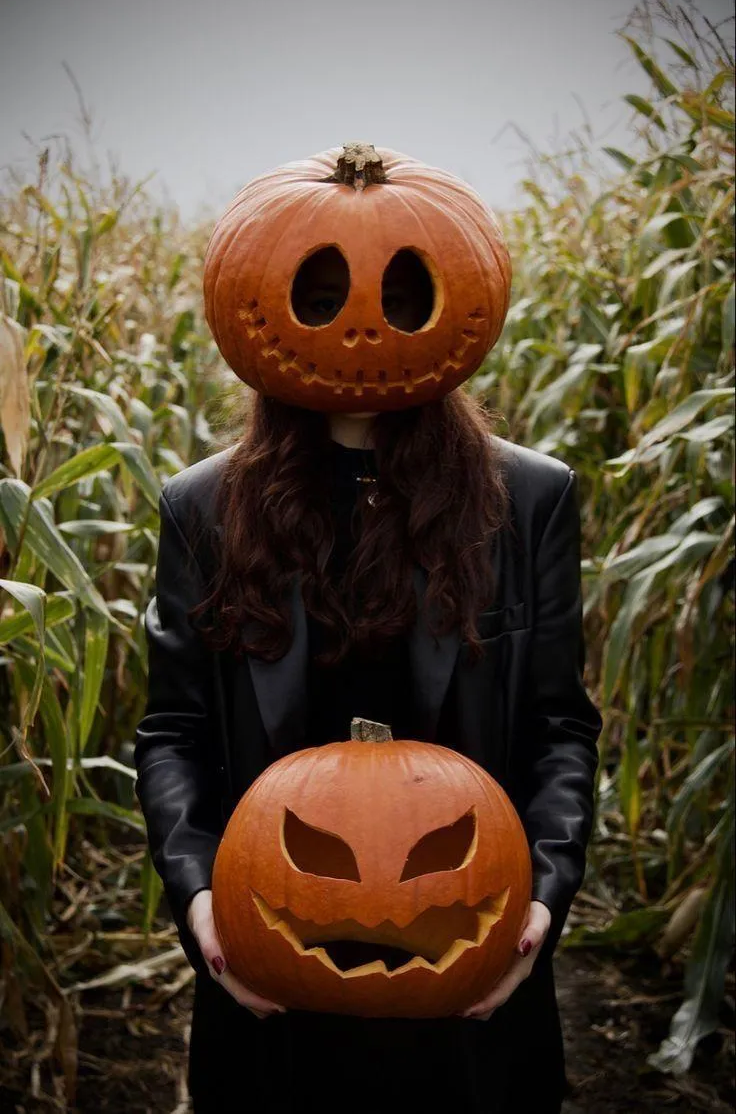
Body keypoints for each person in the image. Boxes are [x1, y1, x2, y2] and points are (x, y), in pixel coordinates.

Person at [134, 144, 602, 1114]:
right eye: (321, 300)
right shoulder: (203, 507)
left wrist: (540, 906)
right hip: (270, 955)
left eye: (394, 299)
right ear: (267, 311)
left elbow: (559, 726)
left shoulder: (528, 501)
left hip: (463, 939)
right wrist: (202, 901)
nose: (357, 333)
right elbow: (171, 730)